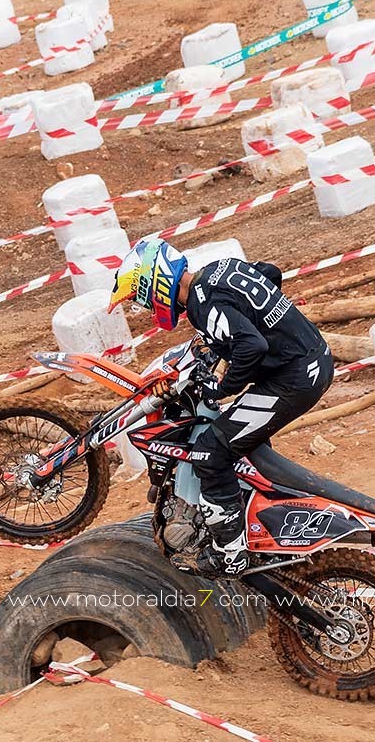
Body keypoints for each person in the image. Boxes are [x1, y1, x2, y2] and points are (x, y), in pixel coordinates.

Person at [108, 240, 333, 577]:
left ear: (155, 283)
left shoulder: (202, 303)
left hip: (295, 379)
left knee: (211, 452)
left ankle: (230, 553)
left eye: (142, 297)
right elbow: (269, 273)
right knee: (238, 438)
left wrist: (222, 386)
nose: (146, 306)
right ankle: (257, 520)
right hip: (306, 360)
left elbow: (251, 345)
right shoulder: (218, 269)